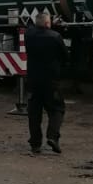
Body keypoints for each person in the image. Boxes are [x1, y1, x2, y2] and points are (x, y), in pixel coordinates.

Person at [25, 8, 66, 155]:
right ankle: (53, 136)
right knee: (57, 109)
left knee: (34, 113)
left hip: (33, 80)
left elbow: (32, 27)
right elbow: (64, 56)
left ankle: (35, 143)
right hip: (51, 81)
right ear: (48, 23)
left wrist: (47, 23)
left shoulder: (29, 35)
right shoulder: (55, 37)